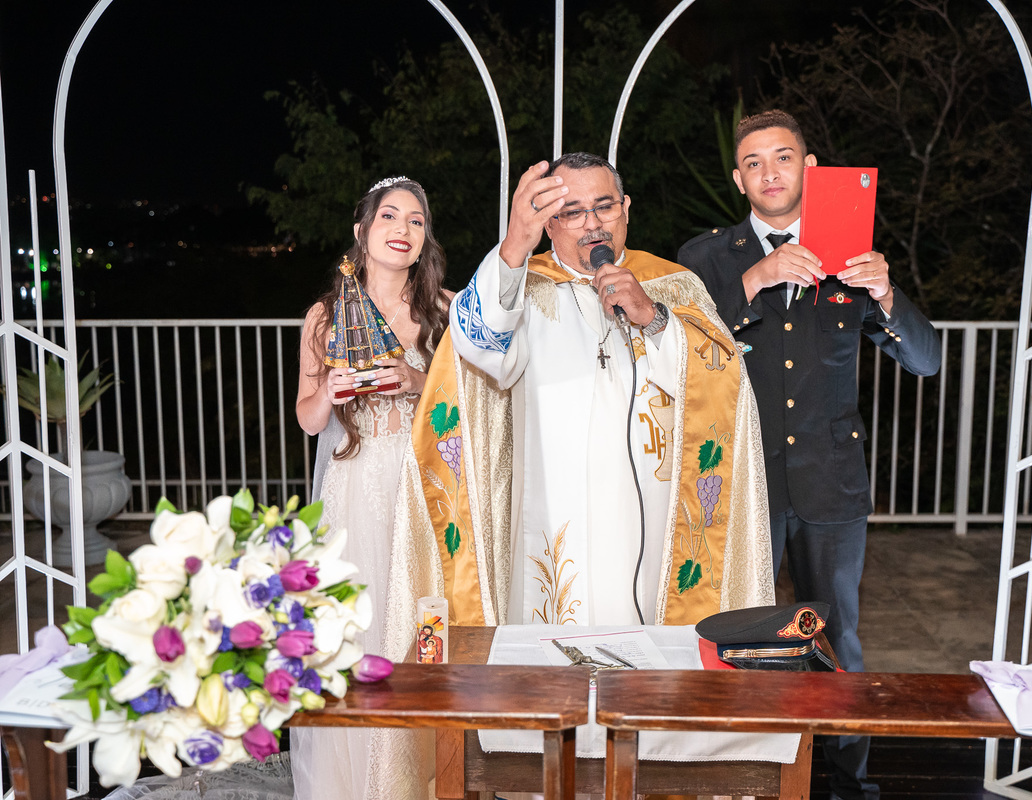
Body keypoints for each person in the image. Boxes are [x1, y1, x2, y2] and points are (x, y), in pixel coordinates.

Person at [677, 110, 941, 800]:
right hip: (742, 483)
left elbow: (928, 359)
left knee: (838, 639)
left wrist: (884, 291)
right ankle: (744, 772)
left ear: (810, 167)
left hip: (832, 482)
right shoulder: (706, 257)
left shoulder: (852, 249)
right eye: (755, 162)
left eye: (783, 157)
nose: (770, 172)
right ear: (739, 179)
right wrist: (753, 281)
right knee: (739, 631)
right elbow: (672, 354)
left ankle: (846, 778)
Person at [398, 152, 773, 628]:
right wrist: (514, 243)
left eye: (605, 207)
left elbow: (724, 378)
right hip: (556, 509)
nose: (593, 224)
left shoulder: (671, 285)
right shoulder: (522, 289)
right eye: (572, 213)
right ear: (548, 225)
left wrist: (654, 318)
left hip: (651, 518)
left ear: (627, 208)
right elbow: (475, 345)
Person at [292, 176, 451, 800]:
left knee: (418, 622)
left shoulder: (443, 308)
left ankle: (417, 774)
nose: (402, 230)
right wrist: (328, 393)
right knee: (353, 625)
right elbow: (306, 419)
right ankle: (351, 780)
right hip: (353, 482)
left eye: (416, 220)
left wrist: (416, 380)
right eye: (389, 216)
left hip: (419, 483)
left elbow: (472, 405)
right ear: (362, 232)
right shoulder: (325, 317)